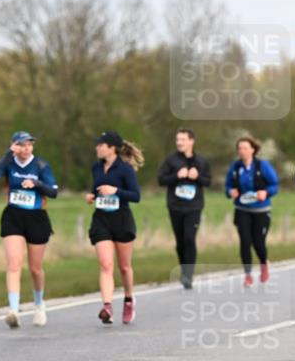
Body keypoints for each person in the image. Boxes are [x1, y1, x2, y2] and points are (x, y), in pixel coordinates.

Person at [0, 131, 58, 328]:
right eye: (22, 145)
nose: (26, 148)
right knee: (14, 264)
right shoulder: (9, 163)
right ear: (14, 145)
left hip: (37, 217)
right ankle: (14, 310)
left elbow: (54, 191)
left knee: (35, 268)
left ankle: (39, 304)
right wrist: (8, 155)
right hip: (13, 217)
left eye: (29, 145)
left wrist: (36, 183)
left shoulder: (41, 165)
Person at [87, 131, 143, 324]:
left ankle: (128, 300)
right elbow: (97, 189)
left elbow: (136, 196)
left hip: (122, 220)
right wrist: (92, 196)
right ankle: (107, 306)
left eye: (100, 144)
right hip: (101, 220)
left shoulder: (125, 169)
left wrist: (116, 191)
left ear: (112, 148)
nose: (97, 147)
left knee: (124, 267)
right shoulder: (96, 168)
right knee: (105, 264)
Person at [156, 128, 211, 290]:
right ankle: (184, 269)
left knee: (189, 238)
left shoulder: (201, 161)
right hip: (175, 206)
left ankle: (188, 275)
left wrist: (197, 177)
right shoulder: (171, 160)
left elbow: (208, 181)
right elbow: (161, 180)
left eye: (183, 139)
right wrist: (176, 176)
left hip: (194, 206)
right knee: (180, 242)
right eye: (177, 140)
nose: (179, 142)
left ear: (191, 141)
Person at [225, 136, 279, 287]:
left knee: (259, 243)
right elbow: (228, 186)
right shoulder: (235, 167)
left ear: (253, 150)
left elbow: (275, 185)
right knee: (245, 242)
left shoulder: (263, 166)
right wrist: (231, 191)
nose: (241, 151)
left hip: (261, 210)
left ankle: (264, 263)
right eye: (239, 148)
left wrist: (266, 193)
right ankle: (248, 275)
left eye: (245, 148)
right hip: (242, 210)